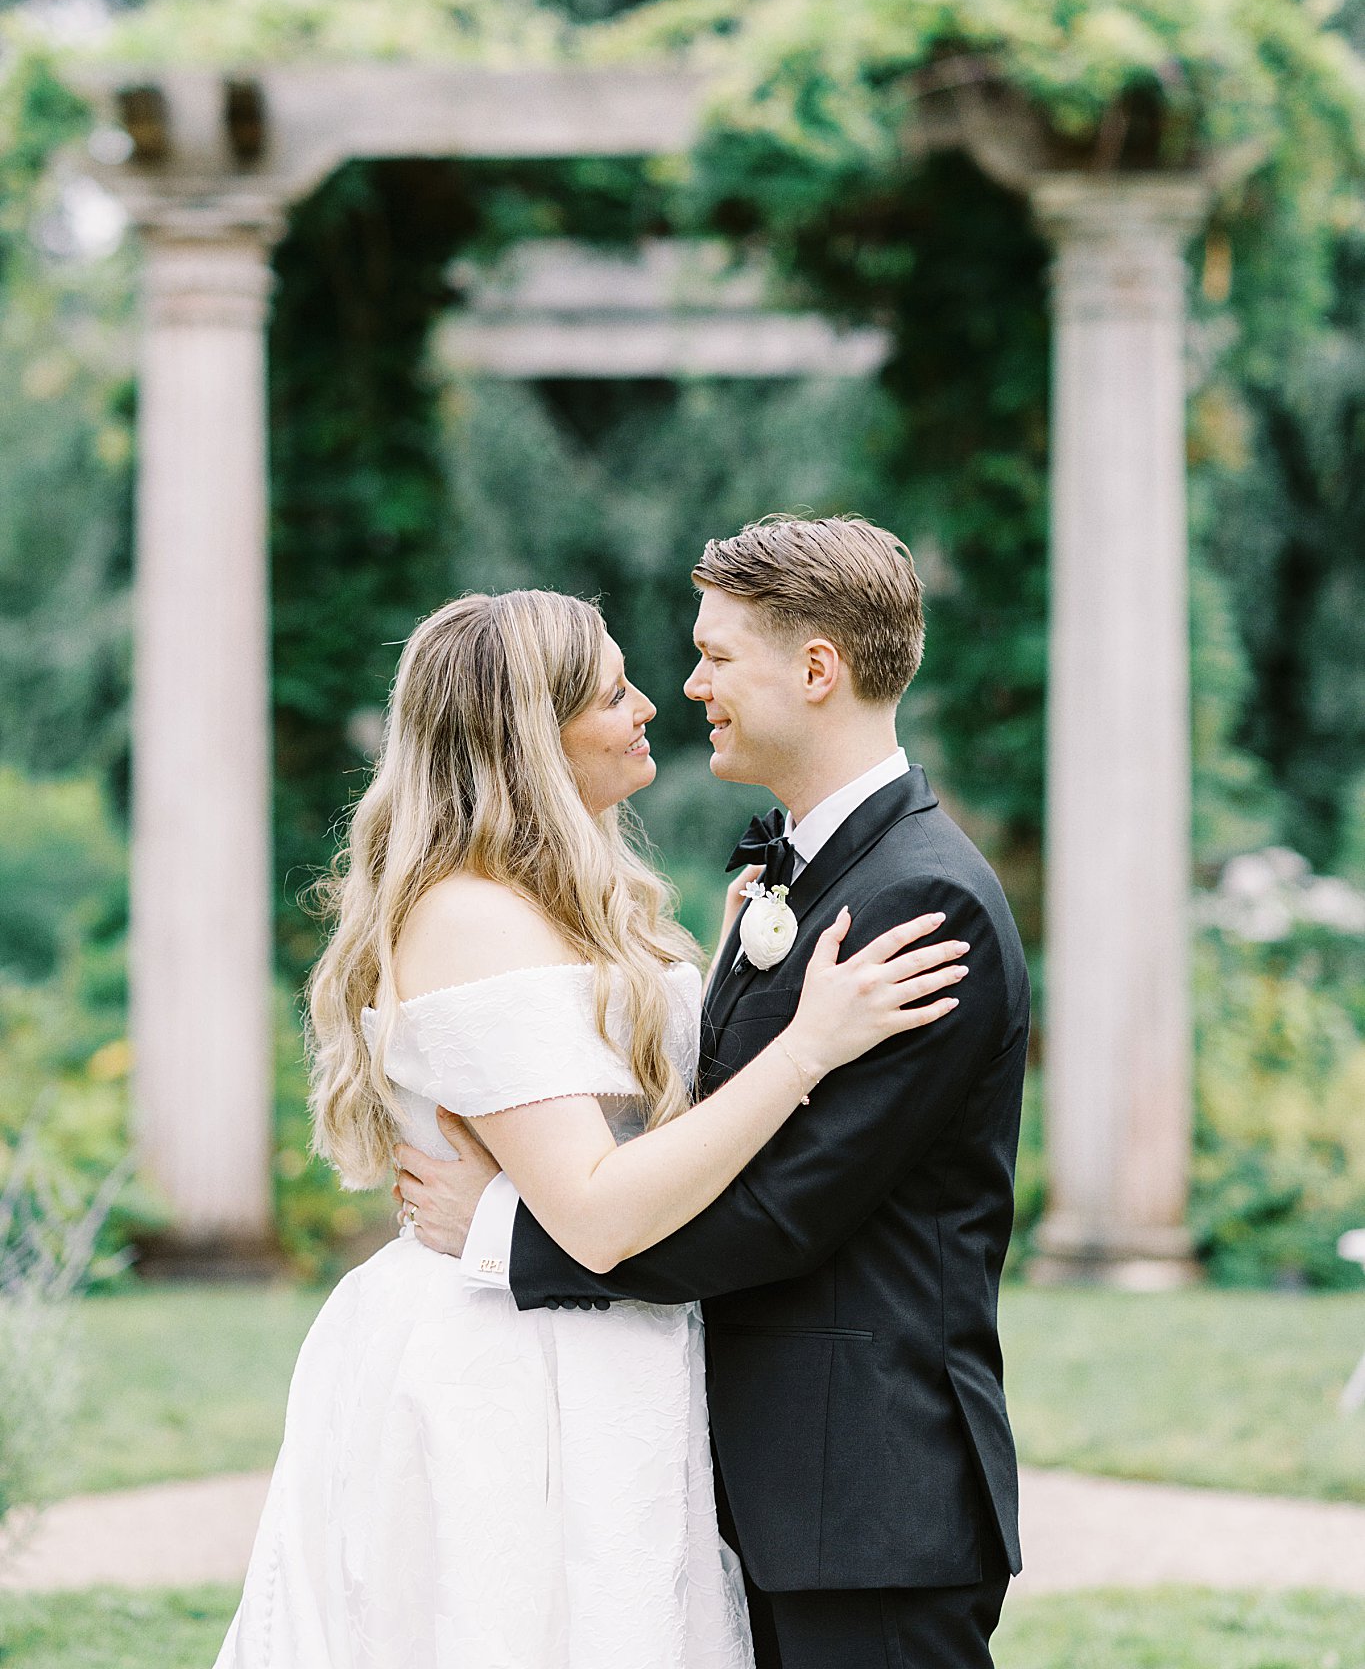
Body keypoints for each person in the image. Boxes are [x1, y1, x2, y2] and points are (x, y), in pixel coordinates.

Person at [213, 585, 964, 1668]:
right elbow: (602, 1212)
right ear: (533, 733)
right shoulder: (468, 912)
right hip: (507, 1371)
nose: (653, 703)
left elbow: (644, 1124)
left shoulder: (574, 890)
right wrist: (805, 1045)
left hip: (598, 1337)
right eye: (615, 692)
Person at [398, 517, 1031, 1669]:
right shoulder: (797, 875)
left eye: (715, 655)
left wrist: (515, 1236)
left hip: (867, 1497)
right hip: (782, 1482)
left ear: (818, 669)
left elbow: (788, 1208)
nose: (688, 685)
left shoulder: (920, 901)